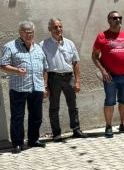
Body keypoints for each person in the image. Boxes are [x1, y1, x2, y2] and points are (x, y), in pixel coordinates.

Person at [1, 21, 48, 153]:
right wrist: (16, 71)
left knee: (36, 116)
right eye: (25, 32)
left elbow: (45, 68)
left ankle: (33, 140)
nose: (28, 34)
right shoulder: (10, 46)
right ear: (20, 32)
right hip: (19, 88)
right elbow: (3, 64)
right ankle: (17, 143)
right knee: (17, 117)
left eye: (31, 32)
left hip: (37, 87)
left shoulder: (38, 47)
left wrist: (44, 86)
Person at [91, 11, 124, 138]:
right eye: (114, 18)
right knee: (110, 101)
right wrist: (103, 71)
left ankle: (123, 124)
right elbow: (95, 56)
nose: (118, 20)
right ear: (109, 21)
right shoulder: (102, 36)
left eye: (119, 18)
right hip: (110, 76)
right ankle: (108, 126)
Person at [40, 18, 86, 142]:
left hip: (68, 77)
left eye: (60, 26)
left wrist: (77, 81)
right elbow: (42, 67)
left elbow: (75, 63)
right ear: (49, 29)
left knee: (73, 105)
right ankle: (56, 133)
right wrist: (45, 85)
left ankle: (76, 129)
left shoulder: (70, 43)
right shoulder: (43, 45)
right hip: (53, 78)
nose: (58, 29)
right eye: (55, 27)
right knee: (54, 107)